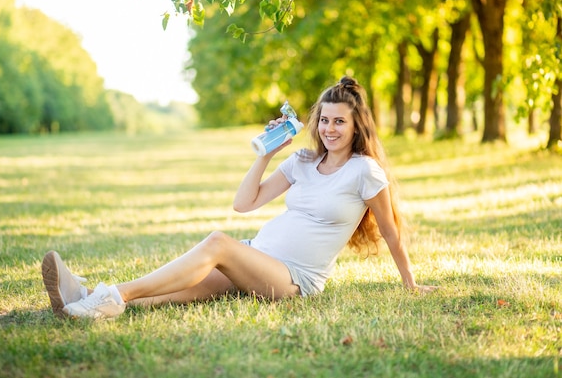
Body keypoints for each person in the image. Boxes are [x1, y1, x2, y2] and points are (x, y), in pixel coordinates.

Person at [42, 76, 438, 320]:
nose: (330, 128)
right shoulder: (302, 161)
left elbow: (390, 231)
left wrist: (410, 283)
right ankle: (88, 301)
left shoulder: (365, 171)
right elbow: (244, 203)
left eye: (340, 121)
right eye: (324, 119)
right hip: (256, 255)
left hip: (292, 279)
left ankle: (108, 296)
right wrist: (266, 154)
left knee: (216, 242)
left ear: (356, 126)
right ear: (315, 122)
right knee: (168, 294)